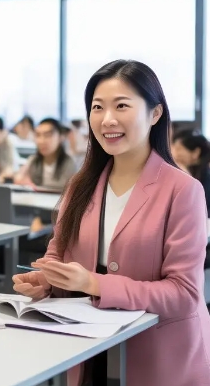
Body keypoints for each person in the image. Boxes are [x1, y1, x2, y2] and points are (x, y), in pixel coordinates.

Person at [13, 60, 210, 386]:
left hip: (158, 356)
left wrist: (93, 284)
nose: (107, 120)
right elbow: (57, 255)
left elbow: (184, 294)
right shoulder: (81, 184)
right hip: (89, 351)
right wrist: (47, 280)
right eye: (97, 107)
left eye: (121, 106)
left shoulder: (183, 190)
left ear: (155, 114)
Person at [14, 118, 77, 192]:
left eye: (47, 135)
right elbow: (19, 179)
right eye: (38, 135)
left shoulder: (69, 163)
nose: (41, 141)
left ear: (61, 137)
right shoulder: (33, 160)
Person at [172, 129, 210, 212]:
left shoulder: (206, 175)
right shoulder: (190, 170)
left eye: (179, 149)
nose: (175, 153)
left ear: (196, 152)